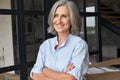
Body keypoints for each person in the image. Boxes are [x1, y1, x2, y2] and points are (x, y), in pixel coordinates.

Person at [30, 0, 89, 80]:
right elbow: (35, 74)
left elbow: (71, 78)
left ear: (72, 20)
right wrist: (62, 76)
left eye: (64, 16)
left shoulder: (79, 45)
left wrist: (44, 70)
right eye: (56, 15)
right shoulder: (46, 45)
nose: (59, 20)